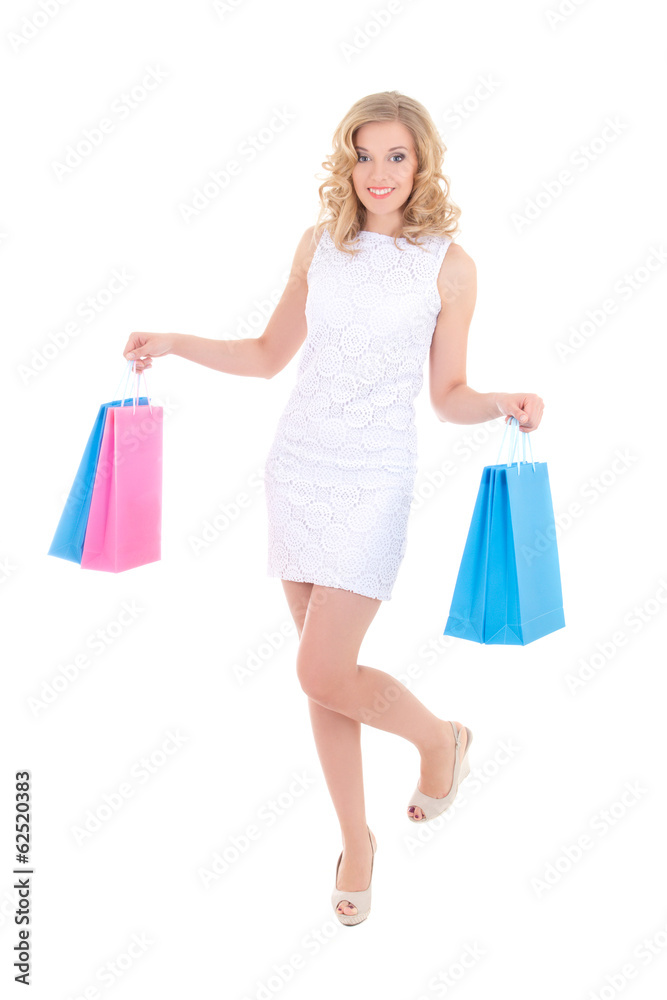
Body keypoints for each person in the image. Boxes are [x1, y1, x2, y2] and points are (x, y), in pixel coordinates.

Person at [122, 90, 544, 927]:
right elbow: (266, 354)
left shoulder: (447, 264)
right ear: (343, 161)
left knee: (321, 669)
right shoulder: (318, 244)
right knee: (327, 677)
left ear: (420, 163)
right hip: (299, 469)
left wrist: (500, 400)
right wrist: (174, 341)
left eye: (395, 156)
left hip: (374, 478)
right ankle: (357, 839)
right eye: (363, 154)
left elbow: (448, 393)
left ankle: (436, 741)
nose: (378, 172)